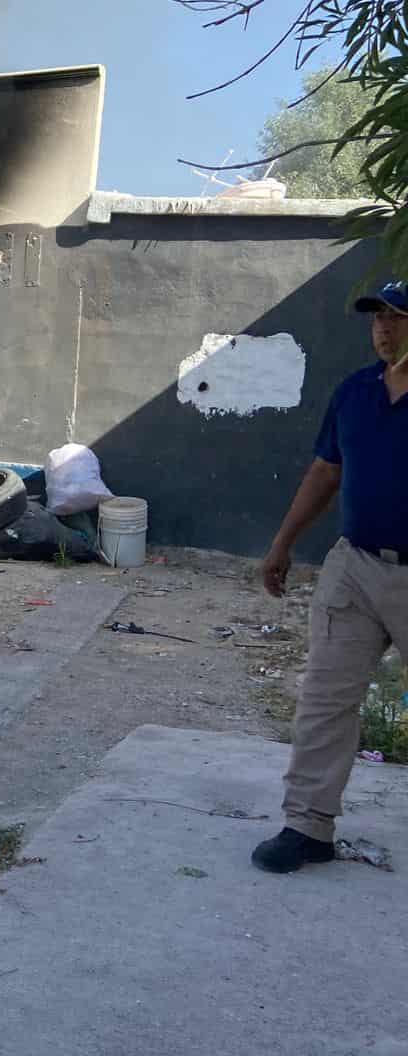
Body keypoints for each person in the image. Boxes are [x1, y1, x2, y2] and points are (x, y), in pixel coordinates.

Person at [252, 279, 408, 874]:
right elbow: (324, 473)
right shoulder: (355, 393)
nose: (384, 329)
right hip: (358, 567)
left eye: (398, 317)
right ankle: (308, 827)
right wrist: (282, 545)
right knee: (324, 699)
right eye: (377, 318)